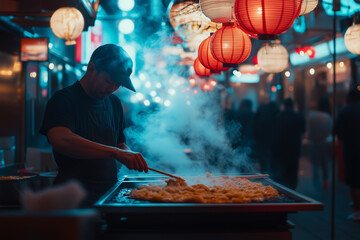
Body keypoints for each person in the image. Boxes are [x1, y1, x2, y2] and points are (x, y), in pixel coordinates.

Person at [40, 44, 148, 204]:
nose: (112, 88)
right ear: (91, 68)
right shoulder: (64, 99)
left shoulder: (114, 103)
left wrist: (129, 154)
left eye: (117, 85)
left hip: (108, 196)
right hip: (72, 198)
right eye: (108, 81)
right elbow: (61, 139)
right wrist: (116, 153)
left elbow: (119, 144)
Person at [335, 89, 360, 221]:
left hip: (351, 150)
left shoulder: (345, 111)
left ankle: (357, 209)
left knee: (354, 181)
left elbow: (337, 132)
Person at [272, 98, 305, 190]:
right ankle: (293, 190)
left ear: (284, 105)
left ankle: (284, 191)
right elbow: (303, 131)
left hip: (281, 148)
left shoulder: (278, 116)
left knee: (283, 172)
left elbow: (275, 134)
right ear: (293, 106)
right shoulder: (298, 116)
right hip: (294, 148)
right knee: (293, 171)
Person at [307, 97, 332, 190]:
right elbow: (329, 131)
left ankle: (316, 184)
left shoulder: (312, 116)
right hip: (324, 143)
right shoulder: (327, 116)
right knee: (325, 163)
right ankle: (325, 181)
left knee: (315, 164)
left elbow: (308, 130)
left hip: (314, 143)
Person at [253, 101, 280, 173]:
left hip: (261, 138)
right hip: (272, 139)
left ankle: (264, 171)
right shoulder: (276, 112)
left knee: (263, 157)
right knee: (270, 158)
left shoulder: (261, 112)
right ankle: (270, 173)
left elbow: (255, 125)